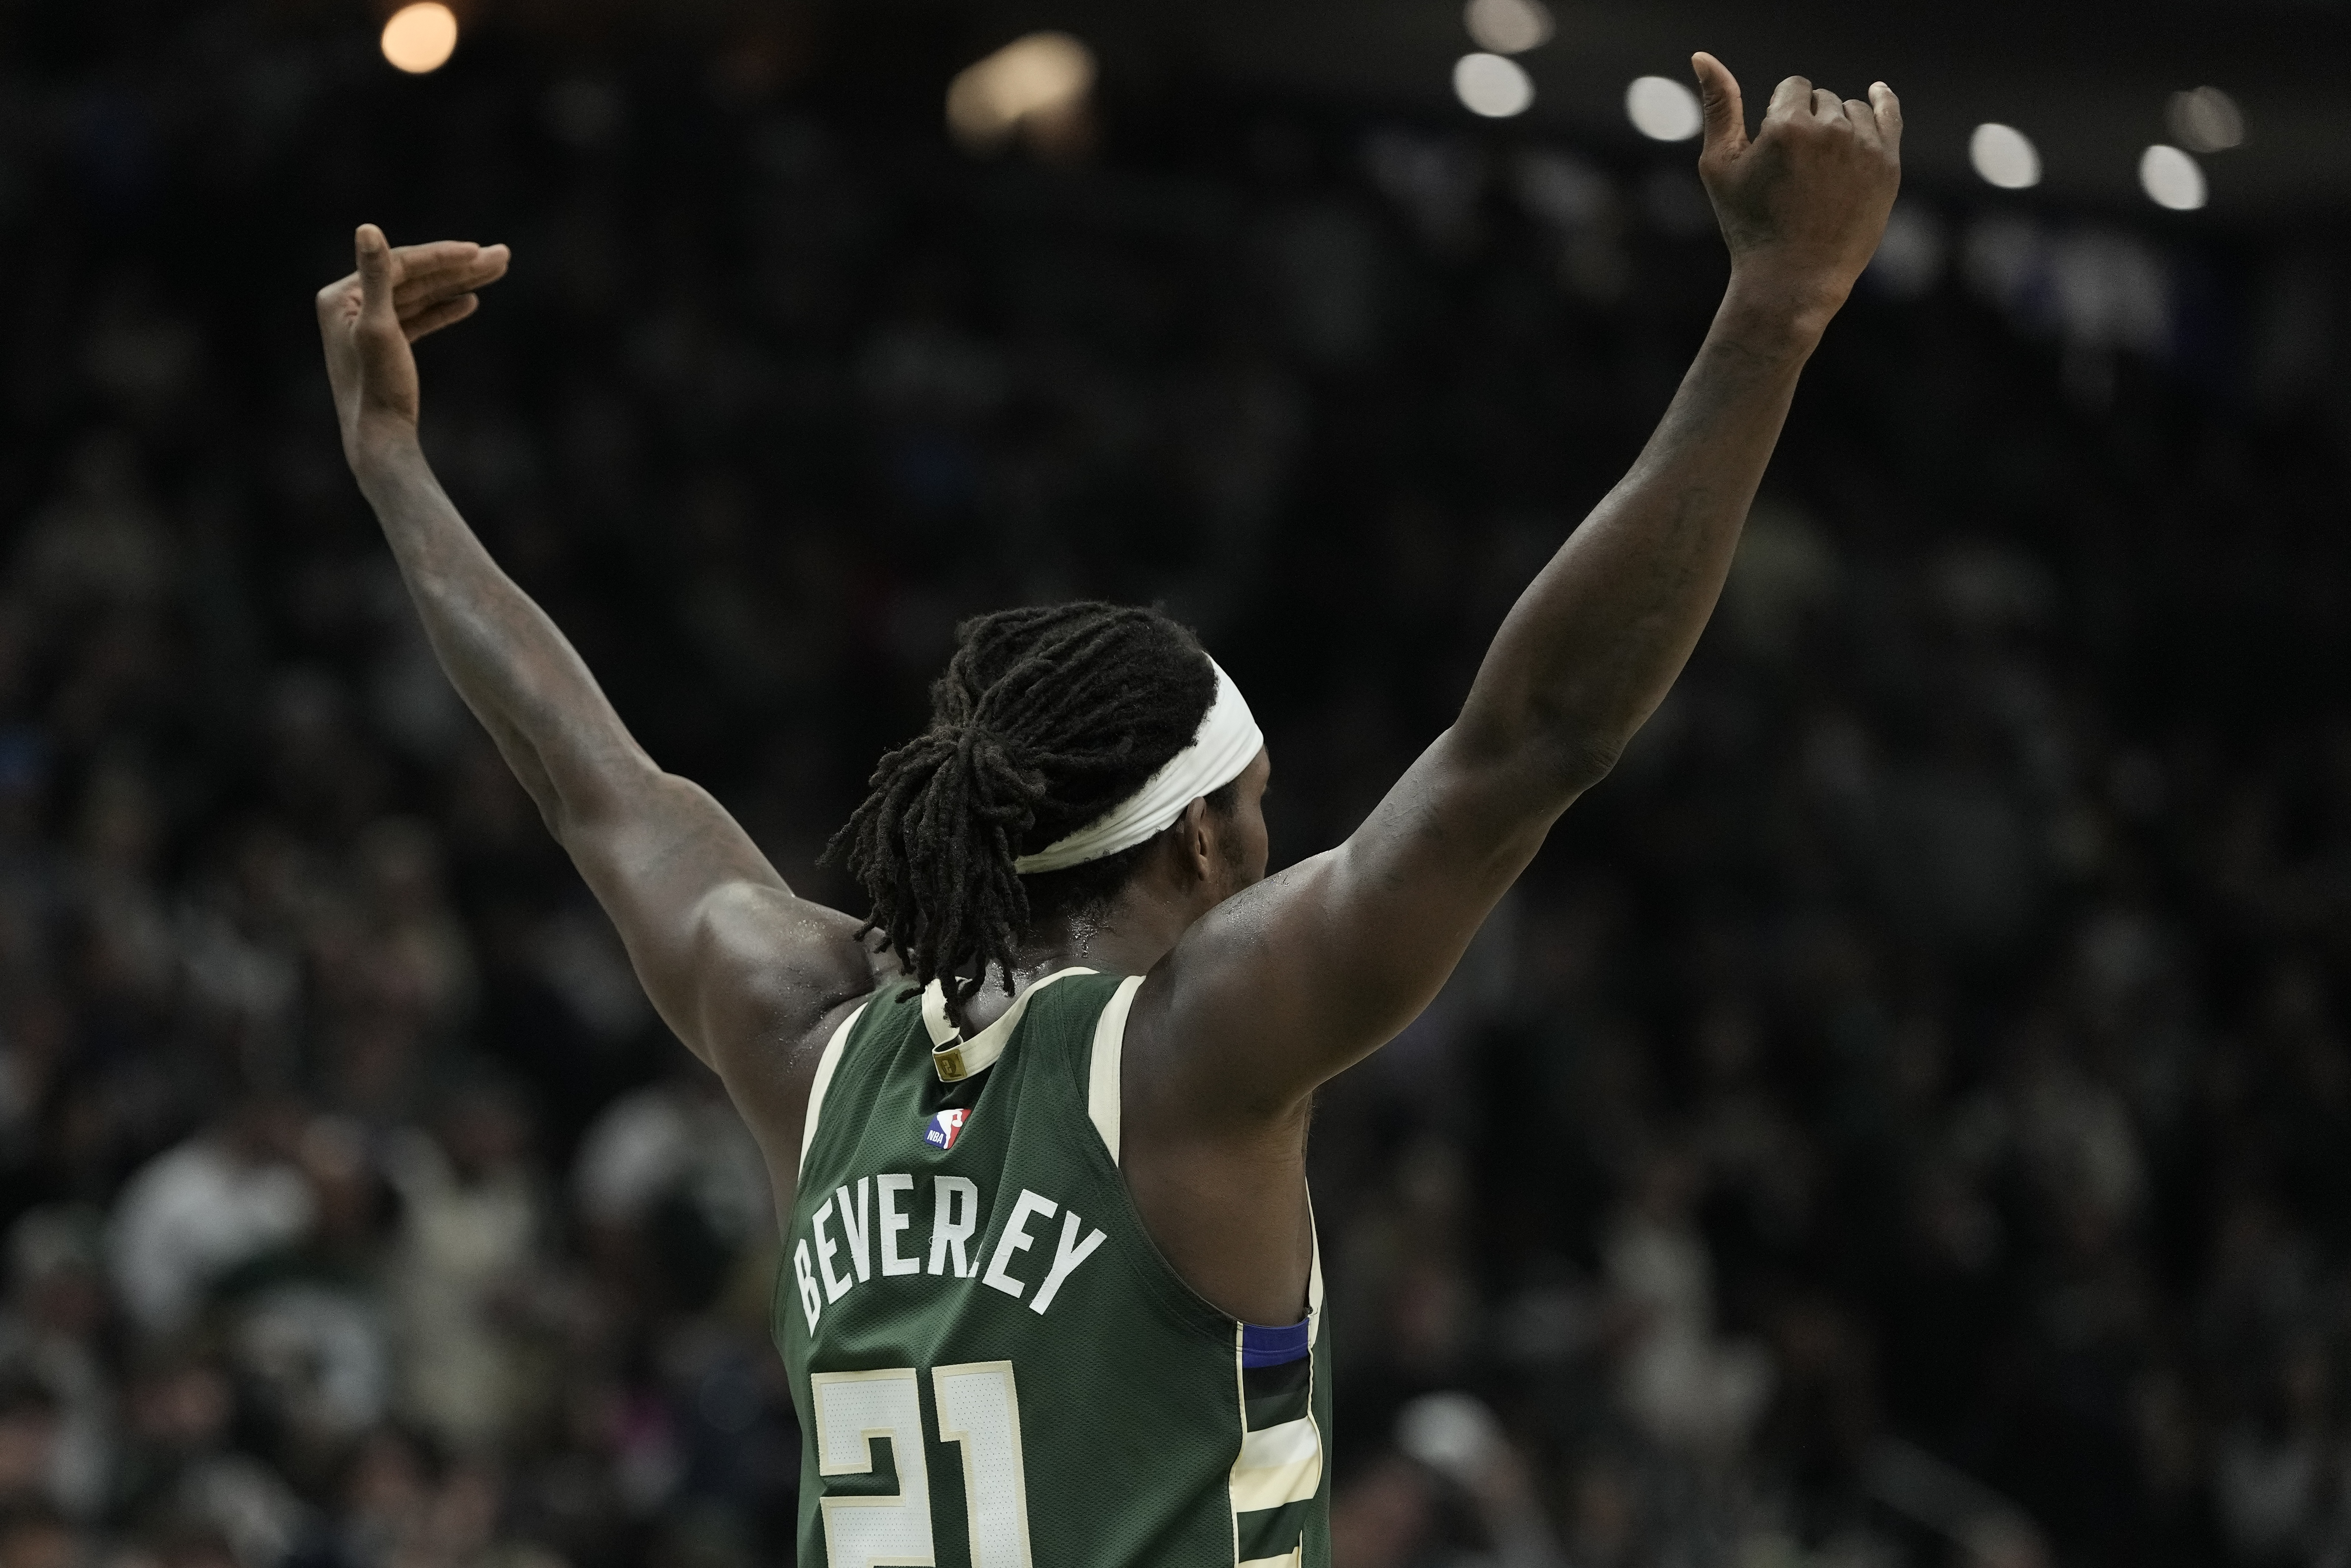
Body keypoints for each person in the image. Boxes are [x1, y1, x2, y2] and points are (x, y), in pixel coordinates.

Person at [313, 52, 1899, 1568]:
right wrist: (1775, 313)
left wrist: (395, 466)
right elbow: (1535, 736)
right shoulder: (1191, 1052)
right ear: (1200, 840)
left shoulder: (804, 1040)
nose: (1271, 836)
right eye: (1258, 803)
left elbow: (595, 785)